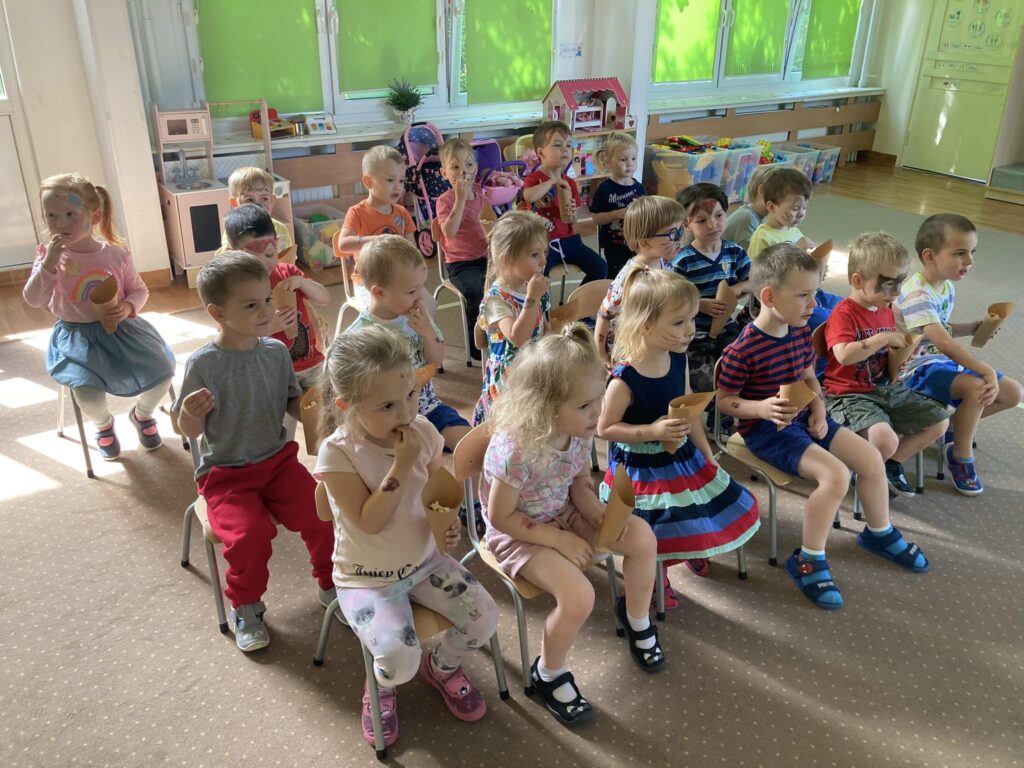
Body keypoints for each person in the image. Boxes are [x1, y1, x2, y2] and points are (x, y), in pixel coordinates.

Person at [717, 244, 931, 610]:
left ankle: (878, 532)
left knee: (870, 459)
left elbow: (808, 377)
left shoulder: (800, 331)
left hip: (806, 416)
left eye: (814, 293)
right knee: (836, 476)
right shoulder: (743, 350)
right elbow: (724, 401)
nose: (814, 303)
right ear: (769, 297)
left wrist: (817, 408)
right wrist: (761, 408)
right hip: (768, 431)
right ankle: (808, 558)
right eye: (803, 295)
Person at [316, 325, 498, 748]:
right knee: (399, 661)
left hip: (425, 562)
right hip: (366, 579)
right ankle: (381, 687)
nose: (406, 413)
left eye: (412, 395)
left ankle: (443, 666)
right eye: (387, 405)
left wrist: (447, 523)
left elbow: (433, 494)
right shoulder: (338, 452)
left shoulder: (425, 432)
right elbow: (369, 521)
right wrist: (401, 466)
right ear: (347, 406)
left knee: (483, 619)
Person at [481, 326, 663, 726]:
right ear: (544, 409)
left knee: (642, 537)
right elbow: (500, 517)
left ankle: (636, 617)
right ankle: (549, 673)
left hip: (564, 510)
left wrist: (594, 509)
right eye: (585, 405)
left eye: (599, 399)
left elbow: (579, 481)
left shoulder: (578, 431)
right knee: (579, 597)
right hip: (520, 534)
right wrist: (559, 539)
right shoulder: (515, 449)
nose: (597, 413)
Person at [172, 252, 335, 652]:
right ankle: (246, 606)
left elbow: (291, 403)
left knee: (323, 512)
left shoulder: (276, 351)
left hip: (277, 462)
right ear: (217, 313)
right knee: (248, 536)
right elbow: (188, 430)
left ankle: (332, 585)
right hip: (225, 473)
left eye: (266, 300)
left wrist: (317, 406)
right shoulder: (203, 364)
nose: (266, 311)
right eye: (251, 305)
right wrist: (189, 414)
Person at [598, 269, 760, 606]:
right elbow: (606, 428)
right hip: (639, 465)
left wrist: (707, 454)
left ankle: (687, 547)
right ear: (645, 325)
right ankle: (655, 574)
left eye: (691, 319)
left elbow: (687, 409)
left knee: (694, 507)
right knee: (656, 521)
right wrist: (652, 431)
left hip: (679, 454)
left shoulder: (678, 358)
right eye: (678, 322)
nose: (690, 329)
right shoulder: (624, 379)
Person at [23, 172, 175, 460]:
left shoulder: (115, 255)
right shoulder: (48, 256)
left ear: (94, 217)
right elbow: (34, 299)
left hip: (121, 330)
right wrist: (48, 265)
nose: (60, 223)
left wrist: (127, 307)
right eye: (51, 216)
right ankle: (104, 425)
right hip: (76, 338)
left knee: (163, 370)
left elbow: (139, 291)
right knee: (87, 394)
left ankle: (142, 415)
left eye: (70, 214)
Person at [893, 214, 1023, 495]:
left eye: (972, 252)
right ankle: (960, 455)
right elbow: (942, 341)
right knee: (980, 386)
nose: (970, 260)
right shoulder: (917, 294)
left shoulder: (945, 286)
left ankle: (957, 425)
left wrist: (970, 328)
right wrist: (985, 369)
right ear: (930, 256)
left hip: (937, 361)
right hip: (913, 369)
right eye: (960, 253)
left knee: (1013, 394)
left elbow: (938, 329)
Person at [822, 232, 949, 496]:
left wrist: (899, 358)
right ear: (858, 281)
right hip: (847, 395)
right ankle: (865, 468)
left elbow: (885, 356)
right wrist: (883, 339)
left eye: (900, 282)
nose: (897, 292)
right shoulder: (844, 314)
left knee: (940, 421)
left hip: (883, 388)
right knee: (885, 440)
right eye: (889, 284)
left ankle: (890, 464)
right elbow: (843, 355)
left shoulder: (884, 308)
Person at [345, 235, 471, 452]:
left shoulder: (417, 317)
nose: (420, 298)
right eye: (412, 291)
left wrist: (427, 332)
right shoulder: (361, 335)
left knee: (471, 447)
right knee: (407, 460)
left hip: (428, 408)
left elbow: (436, 361)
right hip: (388, 422)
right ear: (379, 292)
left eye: (421, 288)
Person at [224, 204, 330, 440]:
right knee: (281, 427)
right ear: (233, 254)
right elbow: (233, 341)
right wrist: (269, 328)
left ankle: (330, 452)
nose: (264, 264)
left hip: (311, 362)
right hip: (272, 371)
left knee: (328, 415)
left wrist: (302, 283)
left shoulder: (287, 272)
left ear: (277, 245)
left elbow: (325, 299)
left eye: (270, 254)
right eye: (253, 258)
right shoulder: (236, 290)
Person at [671, 182, 752, 394]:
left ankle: (731, 405)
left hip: (727, 326)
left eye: (718, 215)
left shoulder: (735, 252)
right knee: (703, 384)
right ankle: (712, 407)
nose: (712, 224)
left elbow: (754, 280)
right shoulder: (683, 261)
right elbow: (671, 299)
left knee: (743, 369)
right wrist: (698, 304)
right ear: (686, 224)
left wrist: (738, 288)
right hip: (693, 333)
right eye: (702, 220)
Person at [473, 211, 551, 424]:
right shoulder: (496, 299)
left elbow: (543, 327)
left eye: (544, 252)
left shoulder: (531, 286)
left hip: (533, 369)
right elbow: (518, 337)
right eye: (534, 254)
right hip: (509, 382)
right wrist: (532, 298)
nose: (544, 260)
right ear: (507, 259)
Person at [594, 196, 684, 368]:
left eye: (680, 231)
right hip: (629, 351)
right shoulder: (630, 278)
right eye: (673, 234)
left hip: (652, 340)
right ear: (644, 242)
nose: (679, 239)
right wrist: (601, 353)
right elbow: (605, 314)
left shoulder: (663, 262)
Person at [522, 120, 607, 284]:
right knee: (538, 278)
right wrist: (552, 182)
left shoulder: (569, 182)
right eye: (557, 145)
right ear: (541, 153)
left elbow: (572, 221)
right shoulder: (534, 178)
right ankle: (540, 301)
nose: (565, 149)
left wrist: (573, 213)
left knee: (600, 267)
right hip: (542, 245)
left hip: (569, 240)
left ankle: (579, 299)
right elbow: (529, 196)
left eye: (568, 145)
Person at [336, 145, 417, 307]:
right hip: (367, 282)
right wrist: (378, 240)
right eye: (390, 180)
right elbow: (343, 244)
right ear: (368, 182)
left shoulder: (402, 213)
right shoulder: (357, 212)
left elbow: (412, 250)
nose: (398, 186)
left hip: (397, 278)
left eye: (401, 181)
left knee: (424, 305)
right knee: (379, 311)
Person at [436, 137, 489, 361]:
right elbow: (449, 232)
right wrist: (459, 200)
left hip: (485, 258)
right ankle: (477, 346)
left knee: (507, 282)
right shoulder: (445, 201)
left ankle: (501, 331)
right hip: (460, 264)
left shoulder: (481, 197)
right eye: (455, 167)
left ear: (475, 168)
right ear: (444, 173)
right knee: (476, 292)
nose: (463, 172)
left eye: (468, 165)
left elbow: (490, 224)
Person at [588, 131, 647, 279]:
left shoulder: (639, 188)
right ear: (608, 162)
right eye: (623, 159)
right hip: (614, 245)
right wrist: (616, 214)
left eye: (633, 158)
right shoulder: (604, 189)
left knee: (637, 275)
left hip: (637, 243)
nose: (630, 163)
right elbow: (596, 219)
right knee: (616, 278)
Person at [220, 166, 293, 257]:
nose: (258, 205)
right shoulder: (233, 232)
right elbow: (229, 261)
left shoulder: (280, 229)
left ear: (272, 201)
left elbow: (286, 260)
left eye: (264, 198)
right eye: (249, 199)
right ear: (234, 204)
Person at [746, 167, 816, 259]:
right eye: (795, 208)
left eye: (804, 207)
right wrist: (796, 250)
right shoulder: (762, 238)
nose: (801, 213)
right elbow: (759, 268)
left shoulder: (794, 232)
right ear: (771, 207)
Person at [723, 164, 780, 252]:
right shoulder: (747, 219)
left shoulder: (757, 215)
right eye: (781, 195)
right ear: (762, 190)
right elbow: (755, 257)